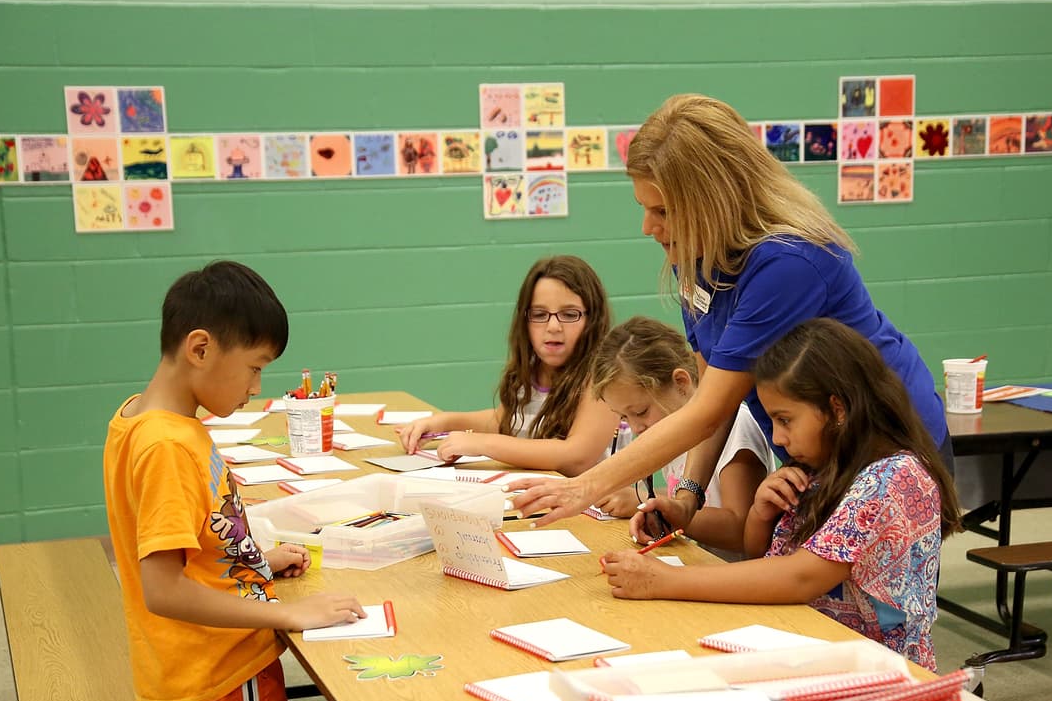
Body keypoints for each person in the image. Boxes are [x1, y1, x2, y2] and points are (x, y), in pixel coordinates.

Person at [510, 93, 950, 535]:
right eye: (643, 208)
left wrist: (583, 488)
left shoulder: (787, 263)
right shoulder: (697, 257)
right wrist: (688, 498)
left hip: (889, 453)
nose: (647, 227)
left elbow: (708, 408)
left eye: (662, 211)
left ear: (712, 200)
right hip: (824, 455)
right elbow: (711, 400)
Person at [102, 260, 366, 701]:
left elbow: (182, 541)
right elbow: (163, 588)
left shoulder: (139, 418)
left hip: (174, 672)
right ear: (201, 348)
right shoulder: (169, 445)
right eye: (253, 369)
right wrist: (287, 612)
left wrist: (251, 558)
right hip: (221, 678)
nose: (254, 387)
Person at [600, 319, 962, 670]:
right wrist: (761, 513)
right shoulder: (823, 465)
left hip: (876, 671)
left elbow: (800, 577)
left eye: (785, 420)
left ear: (837, 409)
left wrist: (665, 580)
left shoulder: (891, 478)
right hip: (808, 643)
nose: (776, 439)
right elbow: (761, 553)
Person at [397, 255, 618, 475]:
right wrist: (444, 422)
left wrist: (483, 444)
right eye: (539, 314)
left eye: (569, 314)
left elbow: (575, 457)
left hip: (592, 508)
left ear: (593, 319)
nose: (553, 326)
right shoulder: (531, 368)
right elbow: (505, 421)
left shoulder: (604, 378)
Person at [590, 316, 773, 560]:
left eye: (641, 412)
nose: (635, 428)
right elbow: (699, 496)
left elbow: (740, 528)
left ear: (681, 382)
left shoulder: (736, 427)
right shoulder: (667, 432)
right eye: (625, 417)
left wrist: (646, 504)